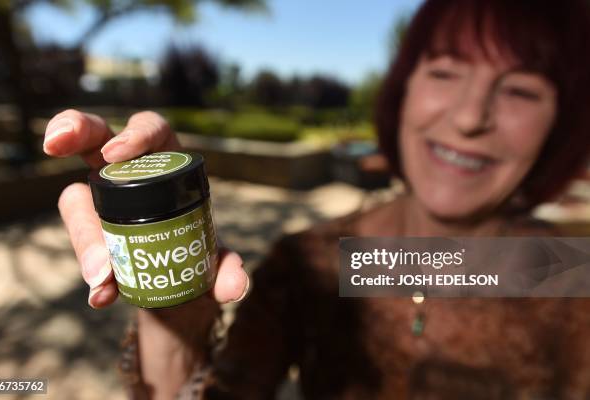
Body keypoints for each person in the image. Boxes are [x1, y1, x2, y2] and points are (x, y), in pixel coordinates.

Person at [43, 0, 590, 398]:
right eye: (446, 71)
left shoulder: (573, 278)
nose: (472, 117)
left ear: (559, 123)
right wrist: (174, 319)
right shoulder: (308, 263)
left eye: (520, 89)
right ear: (403, 93)